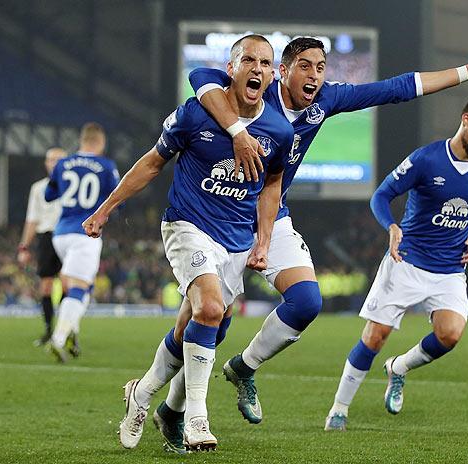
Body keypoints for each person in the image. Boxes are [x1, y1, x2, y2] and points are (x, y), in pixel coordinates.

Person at [170, 37, 468, 428]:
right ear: (282, 70)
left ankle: (244, 368)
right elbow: (201, 76)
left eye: (321, 67)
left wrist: (466, 73)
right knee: (209, 320)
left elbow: (396, 88)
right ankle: (164, 402)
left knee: (305, 302)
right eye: (305, 66)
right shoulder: (257, 85)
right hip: (221, 217)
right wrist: (236, 129)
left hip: (274, 218)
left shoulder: (325, 101)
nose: (315, 75)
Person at [82, 34, 293, 452]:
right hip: (187, 224)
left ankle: (140, 395)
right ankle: (197, 415)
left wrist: (264, 240)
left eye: (264, 62)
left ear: (272, 74)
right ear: (230, 69)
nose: (256, 68)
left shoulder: (279, 130)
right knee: (212, 308)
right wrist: (106, 209)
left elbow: (273, 185)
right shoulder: (197, 113)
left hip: (235, 239)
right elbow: (152, 163)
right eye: (246, 59)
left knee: (190, 328)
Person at [324, 97, 468, 431]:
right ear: (466, 119)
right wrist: (391, 226)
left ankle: (399, 368)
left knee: (450, 335)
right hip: (406, 261)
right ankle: (339, 408)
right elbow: (380, 195)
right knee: (374, 337)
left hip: (450, 269)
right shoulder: (426, 159)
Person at [44, 123, 119, 362]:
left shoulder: (63, 163)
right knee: (78, 288)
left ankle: (71, 331)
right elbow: (119, 198)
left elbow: (49, 195)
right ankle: (58, 338)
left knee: (84, 288)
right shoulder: (106, 166)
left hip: (60, 234)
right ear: (100, 142)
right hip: (85, 234)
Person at [17, 147, 66, 345]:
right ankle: (48, 330)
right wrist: (24, 247)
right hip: (46, 238)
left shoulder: (73, 187)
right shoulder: (38, 188)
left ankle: (65, 331)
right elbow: (32, 219)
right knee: (45, 286)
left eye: (57, 160)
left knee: (67, 285)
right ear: (45, 163)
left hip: (67, 236)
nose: (53, 163)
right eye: (50, 160)